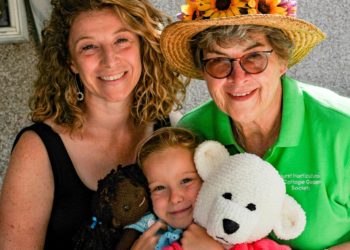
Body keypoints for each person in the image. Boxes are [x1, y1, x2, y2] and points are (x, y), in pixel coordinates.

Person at [160, 0, 350, 249]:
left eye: (254, 58)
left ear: (282, 62)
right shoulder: (193, 133)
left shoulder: (342, 129)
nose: (238, 78)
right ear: (203, 71)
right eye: (219, 61)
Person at [0, 0, 187, 249]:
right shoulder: (38, 149)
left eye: (121, 40)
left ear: (142, 46)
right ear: (71, 62)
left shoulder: (172, 129)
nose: (110, 60)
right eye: (89, 46)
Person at [131, 127, 208, 250]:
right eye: (159, 188)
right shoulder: (144, 236)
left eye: (186, 180)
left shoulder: (227, 228)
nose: (175, 198)